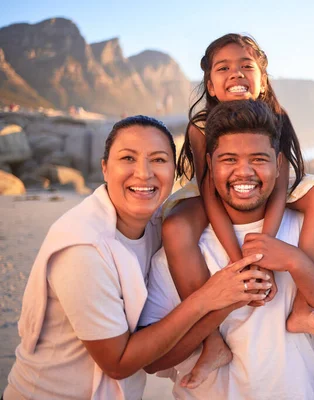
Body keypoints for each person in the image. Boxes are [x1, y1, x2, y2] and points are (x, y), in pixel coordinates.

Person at [3, 116, 271, 400]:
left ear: (174, 169)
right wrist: (209, 298)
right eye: (128, 158)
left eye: (158, 160)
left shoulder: (157, 221)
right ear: (105, 168)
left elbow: (210, 197)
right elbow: (118, 363)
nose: (143, 174)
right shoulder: (83, 249)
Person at [162, 33, 314, 387]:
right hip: (213, 191)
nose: (236, 74)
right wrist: (241, 264)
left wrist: (264, 247)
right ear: (210, 83)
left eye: (246, 66)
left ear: (262, 77)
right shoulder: (201, 125)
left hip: (265, 185)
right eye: (224, 68)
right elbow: (209, 192)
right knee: (175, 227)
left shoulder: (276, 117)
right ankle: (212, 341)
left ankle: (303, 305)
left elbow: (279, 184)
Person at [140, 99, 314, 399]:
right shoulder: (182, 245)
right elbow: (153, 362)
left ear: (279, 163)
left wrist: (297, 263)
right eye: (229, 159)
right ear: (210, 164)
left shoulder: (307, 228)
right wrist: (220, 301)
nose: (244, 172)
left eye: (258, 159)